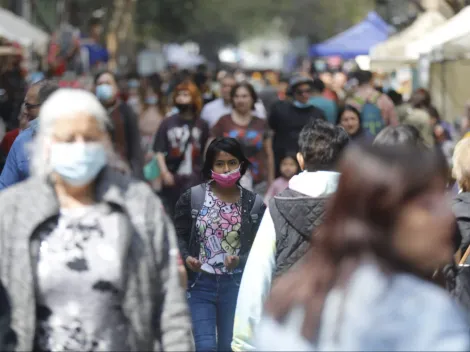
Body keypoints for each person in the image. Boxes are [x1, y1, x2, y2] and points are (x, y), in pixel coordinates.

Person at [0, 88, 193, 351]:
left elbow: (170, 306)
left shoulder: (138, 204)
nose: (79, 147)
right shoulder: (13, 210)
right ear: (46, 144)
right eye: (68, 139)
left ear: (105, 143)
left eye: (89, 138)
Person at [255, 144, 469, 351]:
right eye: (428, 205)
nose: (448, 216)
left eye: (445, 196)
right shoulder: (424, 315)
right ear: (380, 215)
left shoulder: (292, 300)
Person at [232, 119, 349, 351]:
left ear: (300, 160)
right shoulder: (359, 210)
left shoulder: (279, 207)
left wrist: (242, 343)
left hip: (288, 332)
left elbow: (257, 276)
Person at [174, 137, 265, 351]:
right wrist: (187, 257)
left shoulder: (254, 204)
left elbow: (261, 247)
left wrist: (239, 260)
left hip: (236, 287)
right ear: (210, 167)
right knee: (205, 346)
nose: (226, 169)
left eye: (232, 163)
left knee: (230, 346)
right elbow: (177, 234)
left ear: (241, 165)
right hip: (199, 286)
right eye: (220, 164)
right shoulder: (193, 197)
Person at [154, 81, 209, 218]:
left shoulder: (202, 124)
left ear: (194, 97)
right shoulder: (168, 122)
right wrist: (165, 173)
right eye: (179, 95)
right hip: (173, 179)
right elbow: (159, 150)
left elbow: (207, 151)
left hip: (196, 180)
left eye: (186, 95)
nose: (181, 98)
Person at [211, 82, 275, 193]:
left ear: (252, 98)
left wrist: (271, 182)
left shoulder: (261, 123)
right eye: (237, 96)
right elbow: (211, 152)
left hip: (258, 183)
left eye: (244, 96)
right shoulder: (223, 122)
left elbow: (268, 154)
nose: (240, 100)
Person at [0, 80, 59, 190]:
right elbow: (4, 186)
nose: (25, 111)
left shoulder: (75, 141)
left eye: (29, 106)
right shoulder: (22, 141)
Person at [269, 75, 325, 177]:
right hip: (283, 162)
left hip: (307, 162)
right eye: (300, 92)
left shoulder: (318, 114)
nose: (304, 94)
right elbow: (273, 129)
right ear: (293, 92)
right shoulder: (280, 110)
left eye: (307, 91)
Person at [94, 71, 143, 178]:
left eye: (107, 83)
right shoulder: (92, 112)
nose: (103, 87)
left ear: (116, 88)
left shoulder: (126, 111)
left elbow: (135, 146)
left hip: (122, 171)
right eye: (100, 84)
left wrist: (136, 174)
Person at [200, 74, 266, 128]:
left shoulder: (255, 108)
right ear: (220, 87)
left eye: (231, 86)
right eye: (224, 86)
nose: (227, 89)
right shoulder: (208, 108)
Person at [347, 70, 398, 136]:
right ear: (372, 80)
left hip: (358, 142)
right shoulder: (384, 98)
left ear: (357, 81)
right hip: (381, 140)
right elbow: (394, 124)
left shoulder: (351, 100)